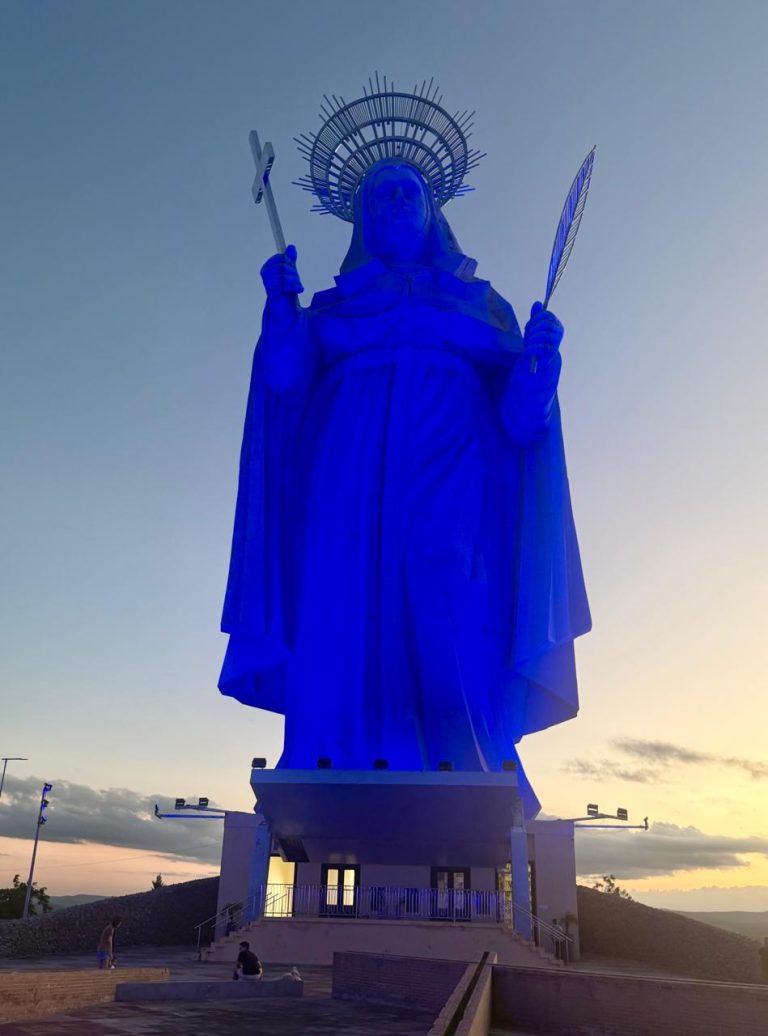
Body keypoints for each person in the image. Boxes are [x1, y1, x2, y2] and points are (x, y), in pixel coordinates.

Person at [219, 158, 590, 809]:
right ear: (364, 219)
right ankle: (325, 753)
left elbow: (521, 419)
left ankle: (470, 755)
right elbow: (283, 380)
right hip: (344, 467)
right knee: (337, 595)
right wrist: (281, 313)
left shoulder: (482, 304)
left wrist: (538, 369)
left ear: (431, 213)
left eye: (408, 189)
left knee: (453, 595)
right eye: (381, 192)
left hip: (455, 467)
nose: (395, 199)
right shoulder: (333, 308)